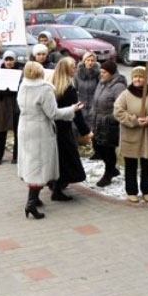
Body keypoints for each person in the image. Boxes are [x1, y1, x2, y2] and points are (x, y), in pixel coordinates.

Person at [17, 61, 83, 220]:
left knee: (31, 163)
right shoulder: (44, 89)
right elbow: (53, 113)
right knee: (39, 166)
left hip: (25, 127)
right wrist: (72, 109)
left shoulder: (23, 86)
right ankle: (31, 203)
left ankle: (35, 199)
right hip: (40, 130)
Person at [49, 57, 92, 201]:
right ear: (66, 69)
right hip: (63, 127)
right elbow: (76, 113)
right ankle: (58, 188)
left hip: (51, 127)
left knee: (54, 157)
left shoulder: (51, 83)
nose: (75, 69)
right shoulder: (68, 88)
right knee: (66, 158)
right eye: (73, 67)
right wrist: (85, 131)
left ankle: (53, 182)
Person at [114, 66, 148, 203]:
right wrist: (134, 120)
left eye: (141, 76)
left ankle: (147, 190)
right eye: (135, 77)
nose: (138, 79)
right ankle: (131, 191)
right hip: (131, 135)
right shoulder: (125, 95)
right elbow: (118, 111)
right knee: (131, 165)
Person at [91, 60, 127, 187]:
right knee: (97, 146)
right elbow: (95, 100)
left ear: (111, 73)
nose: (101, 74)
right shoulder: (101, 83)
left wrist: (110, 118)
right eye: (101, 72)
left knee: (108, 150)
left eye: (104, 72)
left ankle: (108, 173)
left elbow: (122, 106)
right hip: (98, 121)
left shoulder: (119, 86)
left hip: (110, 124)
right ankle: (112, 169)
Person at [0, 51, 22, 165]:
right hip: (2, 106)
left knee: (18, 133)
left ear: (14, 60)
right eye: (7, 60)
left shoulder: (20, 72)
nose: (9, 62)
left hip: (16, 106)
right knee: (0, 132)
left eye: (11, 60)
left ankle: (16, 157)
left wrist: (15, 89)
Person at [74, 52, 100, 131]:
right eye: (88, 60)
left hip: (94, 105)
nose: (90, 62)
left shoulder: (98, 74)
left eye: (92, 60)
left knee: (93, 127)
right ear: (84, 61)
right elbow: (74, 89)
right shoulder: (78, 74)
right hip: (81, 104)